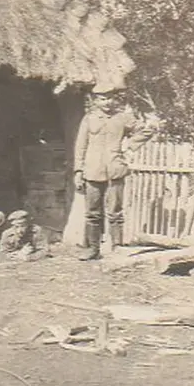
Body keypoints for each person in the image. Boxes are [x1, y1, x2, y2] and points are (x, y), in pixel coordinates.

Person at [72, 82, 155, 260]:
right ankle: (93, 249)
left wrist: (130, 145)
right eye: (103, 99)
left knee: (115, 212)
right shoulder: (89, 119)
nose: (107, 102)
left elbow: (147, 130)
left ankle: (117, 248)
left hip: (115, 169)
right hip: (92, 171)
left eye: (110, 98)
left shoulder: (123, 118)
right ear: (95, 101)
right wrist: (78, 171)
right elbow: (80, 146)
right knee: (92, 212)